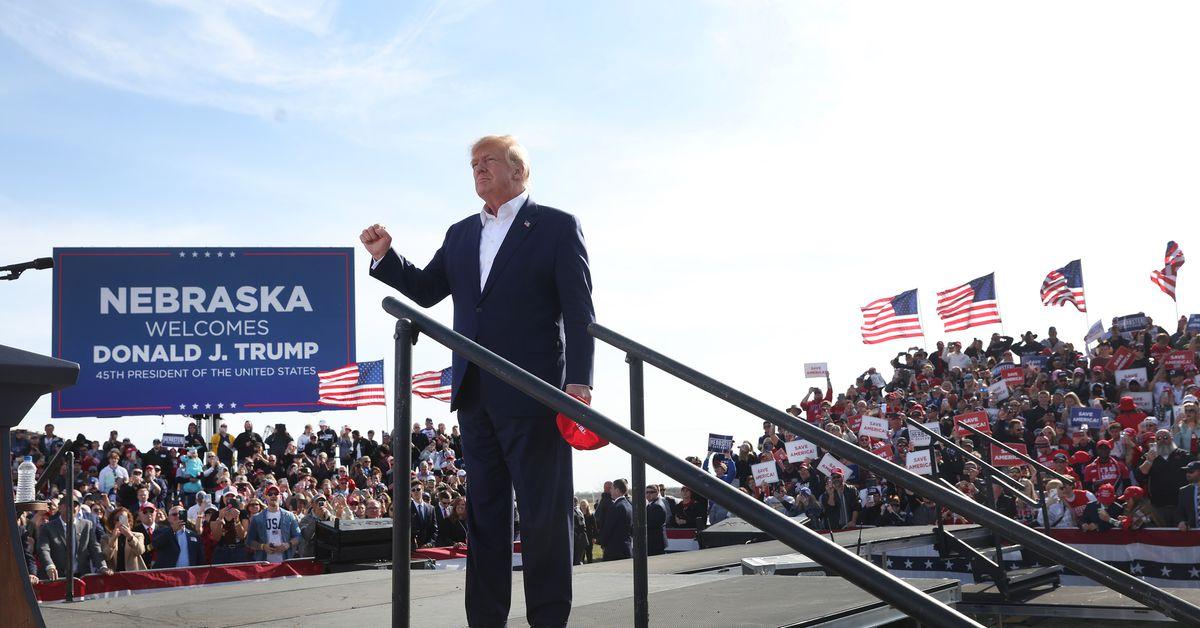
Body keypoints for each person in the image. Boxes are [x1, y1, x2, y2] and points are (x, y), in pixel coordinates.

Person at [362, 134, 594, 628]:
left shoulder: (555, 226)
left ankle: (549, 620)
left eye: (488, 161)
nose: (478, 170)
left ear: (519, 170)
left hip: (537, 393)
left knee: (543, 518)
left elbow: (579, 313)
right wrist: (387, 256)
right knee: (485, 518)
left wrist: (578, 383)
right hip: (475, 395)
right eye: (473, 164)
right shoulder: (461, 233)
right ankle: (485, 621)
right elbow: (427, 290)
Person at [37, 498, 112, 579]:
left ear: (79, 508)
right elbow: (43, 549)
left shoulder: (86, 525)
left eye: (74, 505)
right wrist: (50, 566)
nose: (71, 508)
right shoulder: (48, 527)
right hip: (56, 577)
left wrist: (102, 566)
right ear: (59, 508)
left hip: (81, 576)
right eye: (67, 505)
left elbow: (94, 548)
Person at [247, 485, 301, 562]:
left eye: (276, 493)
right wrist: (263, 546)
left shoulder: (289, 516)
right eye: (270, 494)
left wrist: (288, 544)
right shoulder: (257, 518)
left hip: (285, 560)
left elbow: (298, 536)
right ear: (265, 497)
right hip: (264, 561)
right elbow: (249, 541)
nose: (273, 496)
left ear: (280, 496)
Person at [100, 507, 147, 572]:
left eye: (123, 518)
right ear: (113, 521)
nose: (120, 521)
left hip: (133, 574)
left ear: (128, 520)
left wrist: (130, 536)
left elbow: (140, 551)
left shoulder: (138, 535)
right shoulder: (105, 538)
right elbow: (106, 557)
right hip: (113, 575)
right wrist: (113, 538)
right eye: (117, 519)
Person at [597, 479, 633, 561]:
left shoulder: (615, 507)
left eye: (612, 488)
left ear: (617, 490)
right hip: (626, 548)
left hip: (614, 551)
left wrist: (602, 542)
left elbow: (608, 529)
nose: (610, 491)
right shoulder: (629, 505)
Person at [410, 480, 439, 548]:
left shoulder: (431, 508)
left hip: (428, 547)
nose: (416, 491)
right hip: (413, 548)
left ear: (422, 490)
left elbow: (434, 529)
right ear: (410, 492)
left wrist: (430, 543)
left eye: (418, 489)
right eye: (413, 490)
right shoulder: (406, 509)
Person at [645, 485, 670, 556]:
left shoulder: (657, 506)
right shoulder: (653, 504)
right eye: (647, 492)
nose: (648, 494)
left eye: (651, 492)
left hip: (655, 542)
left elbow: (652, 524)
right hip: (655, 542)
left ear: (657, 493)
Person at [1177, 460, 1200, 530]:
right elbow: (1180, 512)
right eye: (1187, 471)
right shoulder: (1183, 491)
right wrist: (1181, 521)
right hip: (1192, 533)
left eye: (1191, 471)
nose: (1188, 474)